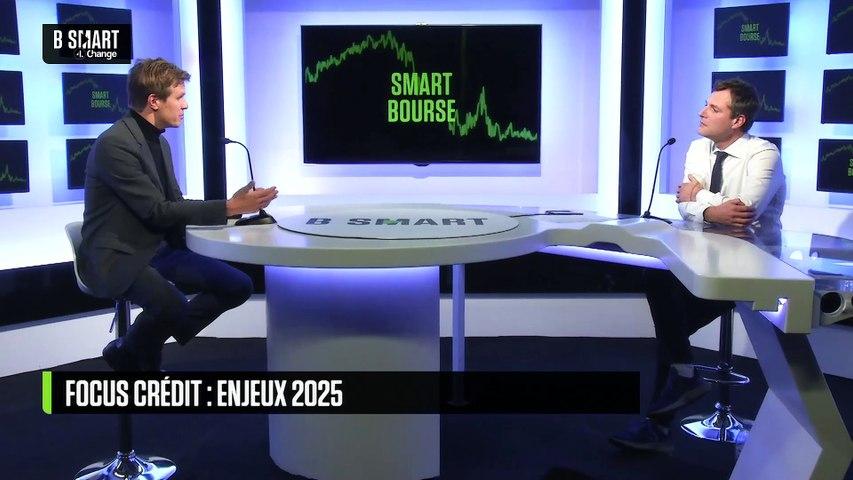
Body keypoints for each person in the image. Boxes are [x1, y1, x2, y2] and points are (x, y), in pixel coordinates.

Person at [610, 78, 785, 452]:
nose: (703, 112)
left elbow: (744, 212)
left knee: (670, 333)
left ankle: (659, 423)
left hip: (750, 267)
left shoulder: (764, 154)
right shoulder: (697, 147)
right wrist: (710, 208)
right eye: (706, 104)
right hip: (704, 259)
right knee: (657, 278)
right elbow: (682, 205)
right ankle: (680, 382)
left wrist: (699, 198)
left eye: (714, 108)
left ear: (737, 121)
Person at [78, 58, 278, 371]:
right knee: (171, 304)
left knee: (238, 285)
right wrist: (229, 206)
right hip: (118, 254)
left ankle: (130, 349)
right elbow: (156, 211)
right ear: (154, 101)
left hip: (158, 247)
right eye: (179, 97)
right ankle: (142, 356)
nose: (185, 105)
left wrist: (232, 209)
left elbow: (174, 203)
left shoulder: (159, 142)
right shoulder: (115, 144)